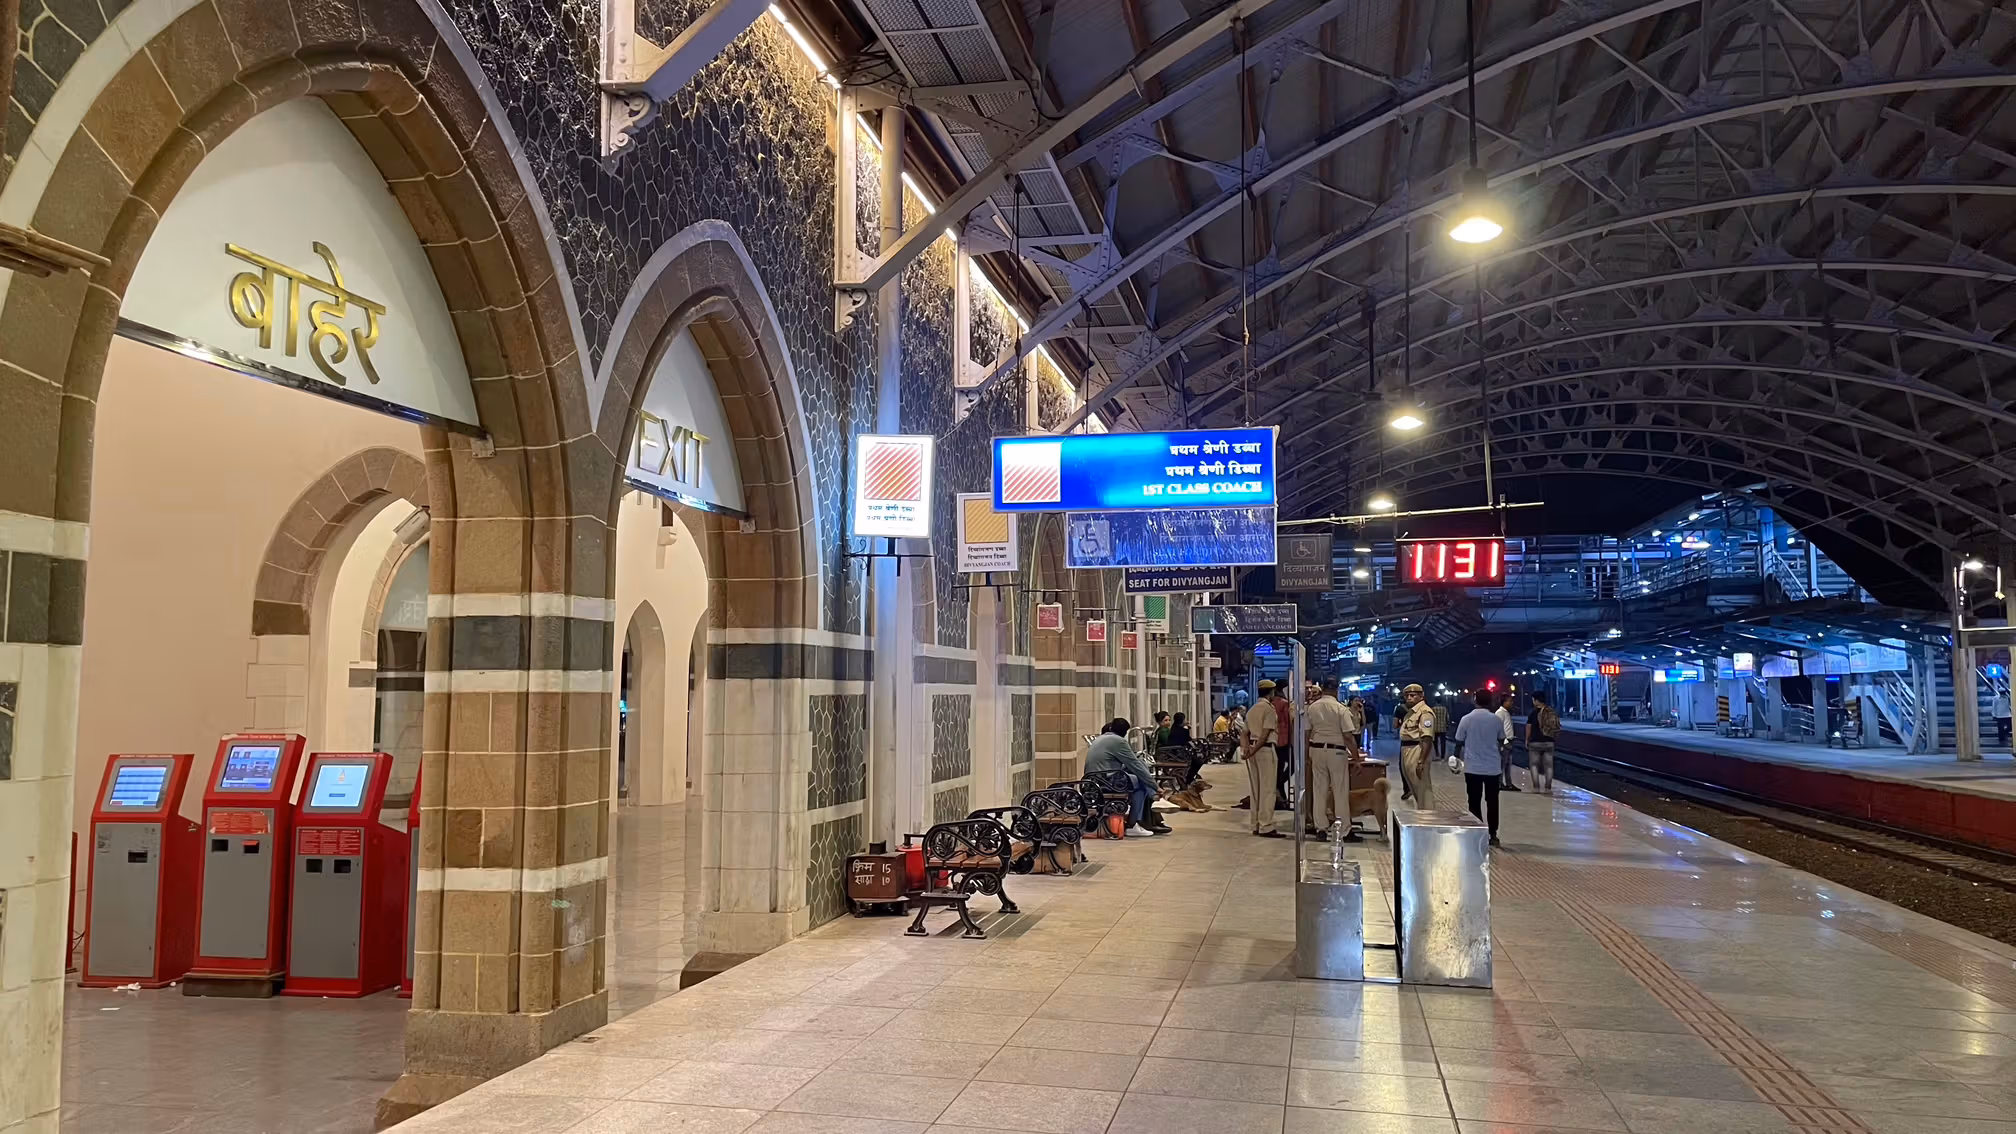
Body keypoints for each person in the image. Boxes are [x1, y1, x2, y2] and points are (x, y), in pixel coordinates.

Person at [1084, 718, 1168, 836]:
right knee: (1140, 784)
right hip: (1106, 781)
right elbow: (1135, 765)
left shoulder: (1101, 738)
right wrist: (1155, 786)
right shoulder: (1118, 741)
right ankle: (1133, 824)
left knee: (1140, 770)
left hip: (1093, 780)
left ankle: (1154, 798)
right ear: (1125, 732)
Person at [1304, 678, 1360, 841]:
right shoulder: (1341, 709)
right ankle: (1344, 830)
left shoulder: (1312, 708)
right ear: (1336, 689)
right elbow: (1348, 736)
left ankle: (1320, 828)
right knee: (1340, 791)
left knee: (1319, 790)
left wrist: (1308, 754)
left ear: (1322, 688)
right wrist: (1356, 758)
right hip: (1337, 751)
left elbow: (1307, 733)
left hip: (1316, 750)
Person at [1454, 690, 1506, 846]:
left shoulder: (1466, 719)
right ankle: (1493, 834)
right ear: (1490, 701)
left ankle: (1477, 831)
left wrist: (1455, 759)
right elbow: (1502, 739)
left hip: (1473, 768)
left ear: (1474, 700)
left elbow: (1459, 741)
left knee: (1474, 801)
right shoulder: (1496, 719)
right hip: (1492, 768)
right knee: (1492, 801)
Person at [1241, 680, 1286, 837]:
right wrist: (1255, 749)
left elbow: (1244, 733)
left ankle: (1255, 824)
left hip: (1253, 751)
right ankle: (1266, 825)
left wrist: (1246, 749)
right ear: (1272, 693)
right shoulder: (1268, 709)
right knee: (1267, 789)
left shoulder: (1252, 709)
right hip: (1265, 750)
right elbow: (1266, 733)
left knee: (1256, 790)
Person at [1398, 684, 1439, 810]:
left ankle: (1427, 818)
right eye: (1407, 696)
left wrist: (1421, 761)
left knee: (1422, 789)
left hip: (1417, 750)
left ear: (1421, 696)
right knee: (1414, 787)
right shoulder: (1411, 713)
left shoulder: (1425, 713)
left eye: (1413, 695)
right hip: (1407, 750)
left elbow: (1427, 738)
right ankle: (1422, 815)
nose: (1409, 698)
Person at [1270, 680, 1298, 810]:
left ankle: (1282, 798)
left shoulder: (1270, 704)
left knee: (1278, 768)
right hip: (1284, 740)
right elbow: (1289, 724)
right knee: (1292, 765)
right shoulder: (1284, 704)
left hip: (1273, 740)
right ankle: (1278, 787)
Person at [1527, 690, 1560, 793]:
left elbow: (1528, 727)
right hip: (1549, 742)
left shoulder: (1533, 713)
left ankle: (1536, 787)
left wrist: (1527, 740)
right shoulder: (1551, 712)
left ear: (1536, 700)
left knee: (1534, 765)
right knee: (1549, 766)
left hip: (1535, 742)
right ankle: (1548, 787)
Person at [1495, 694, 1521, 792]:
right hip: (1503, 742)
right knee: (1502, 763)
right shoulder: (1500, 713)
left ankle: (1508, 783)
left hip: (1508, 741)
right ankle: (1500, 783)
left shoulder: (1506, 712)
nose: (1511, 703)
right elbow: (1498, 730)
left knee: (1507, 764)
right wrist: (1505, 742)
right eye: (1509, 701)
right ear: (1504, 702)